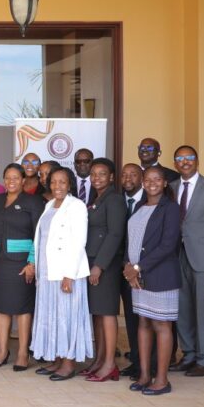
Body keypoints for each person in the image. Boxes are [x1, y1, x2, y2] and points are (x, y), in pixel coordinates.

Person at [124, 166, 181, 395]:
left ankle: (162, 380)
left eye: (157, 179)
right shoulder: (140, 206)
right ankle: (145, 375)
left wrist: (138, 268)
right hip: (138, 277)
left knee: (162, 324)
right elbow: (131, 239)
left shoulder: (171, 208)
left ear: (165, 183)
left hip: (161, 275)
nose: (152, 183)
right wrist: (128, 266)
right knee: (144, 323)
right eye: (148, 179)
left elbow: (168, 245)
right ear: (143, 183)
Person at [31, 167, 93, 380]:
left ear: (70, 185)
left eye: (62, 182)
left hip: (66, 272)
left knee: (67, 316)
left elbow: (79, 241)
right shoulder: (49, 205)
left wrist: (69, 274)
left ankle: (68, 363)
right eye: (53, 182)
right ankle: (57, 358)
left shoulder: (76, 206)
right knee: (52, 316)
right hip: (48, 271)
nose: (57, 186)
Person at [169, 145, 204, 377]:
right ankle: (189, 354)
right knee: (182, 308)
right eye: (180, 158)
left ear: (197, 161)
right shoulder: (171, 188)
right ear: (175, 163)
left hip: (203, 259)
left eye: (189, 157)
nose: (185, 161)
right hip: (176, 256)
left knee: (202, 309)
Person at [0, 163, 44, 370]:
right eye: (7, 177)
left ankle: (23, 353)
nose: (11, 181)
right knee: (0, 307)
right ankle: (2, 351)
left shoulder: (33, 202)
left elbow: (39, 234)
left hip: (21, 263)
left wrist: (32, 262)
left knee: (22, 308)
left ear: (23, 180)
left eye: (16, 177)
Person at [82, 158, 126, 382]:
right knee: (97, 313)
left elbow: (115, 234)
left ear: (111, 177)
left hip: (105, 264)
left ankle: (110, 364)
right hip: (92, 262)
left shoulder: (115, 199)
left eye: (102, 174)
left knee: (107, 313)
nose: (96, 177)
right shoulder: (97, 199)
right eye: (93, 174)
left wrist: (99, 265)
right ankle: (99, 360)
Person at [118, 163, 147, 378]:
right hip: (121, 267)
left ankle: (151, 362)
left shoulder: (150, 200)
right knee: (130, 315)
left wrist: (136, 266)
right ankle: (136, 360)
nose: (128, 178)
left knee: (146, 318)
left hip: (144, 268)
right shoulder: (117, 200)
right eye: (124, 175)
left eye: (133, 175)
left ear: (142, 178)